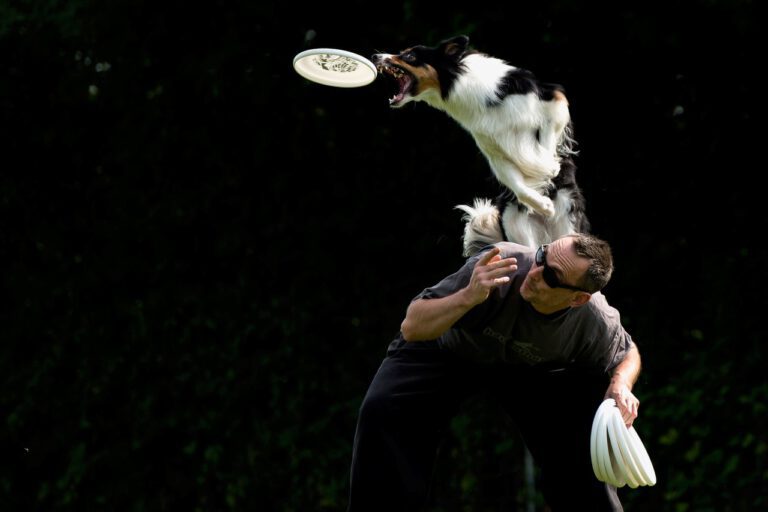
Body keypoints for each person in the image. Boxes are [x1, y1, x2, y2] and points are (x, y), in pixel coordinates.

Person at [347, 233, 642, 511]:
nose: (535, 272)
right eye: (542, 256)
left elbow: (627, 353)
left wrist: (621, 385)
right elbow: (412, 326)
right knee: (383, 409)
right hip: (450, 350)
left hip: (530, 370)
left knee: (584, 434)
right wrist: (468, 296)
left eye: (551, 276)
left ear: (577, 299)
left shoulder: (594, 320)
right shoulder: (500, 263)